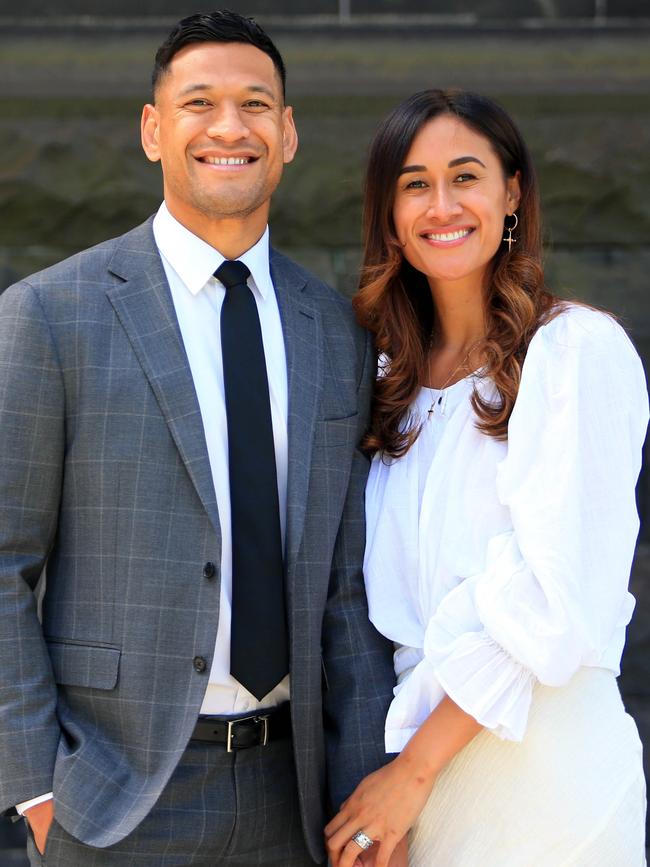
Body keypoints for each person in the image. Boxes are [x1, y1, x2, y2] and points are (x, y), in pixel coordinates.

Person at [0, 11, 396, 866]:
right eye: (199, 102)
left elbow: (347, 590)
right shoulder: (51, 314)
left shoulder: (338, 332)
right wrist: (32, 785)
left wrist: (366, 789)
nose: (230, 127)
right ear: (153, 129)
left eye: (257, 104)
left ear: (287, 135)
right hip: (112, 800)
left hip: (295, 798)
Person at [325, 89, 648, 867]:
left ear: (512, 194)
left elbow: (554, 603)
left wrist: (413, 771)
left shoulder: (573, 352)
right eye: (414, 183)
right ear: (391, 217)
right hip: (417, 785)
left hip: (543, 775)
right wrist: (396, 787)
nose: (442, 204)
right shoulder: (384, 384)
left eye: (465, 176)